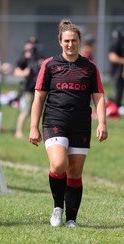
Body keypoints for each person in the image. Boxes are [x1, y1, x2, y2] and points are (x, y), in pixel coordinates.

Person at [29, 19, 108, 228]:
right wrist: (33, 127)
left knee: (74, 172)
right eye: (66, 41)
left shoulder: (90, 67)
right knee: (58, 164)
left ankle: (71, 219)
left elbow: (99, 96)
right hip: (55, 120)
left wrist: (102, 123)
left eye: (74, 40)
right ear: (60, 41)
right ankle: (57, 207)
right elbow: (38, 98)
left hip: (81, 124)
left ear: (79, 41)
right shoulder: (49, 65)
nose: (70, 44)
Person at [13, 37, 43, 139]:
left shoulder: (38, 56)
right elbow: (16, 72)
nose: (33, 45)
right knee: (25, 111)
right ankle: (18, 132)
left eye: (34, 43)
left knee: (38, 111)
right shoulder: (24, 57)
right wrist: (25, 72)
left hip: (39, 88)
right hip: (28, 88)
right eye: (31, 43)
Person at [108, 26, 124, 107]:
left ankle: (116, 104)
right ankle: (112, 104)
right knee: (118, 90)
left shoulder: (120, 44)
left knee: (120, 91)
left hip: (120, 71)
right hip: (116, 72)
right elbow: (112, 57)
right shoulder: (115, 44)